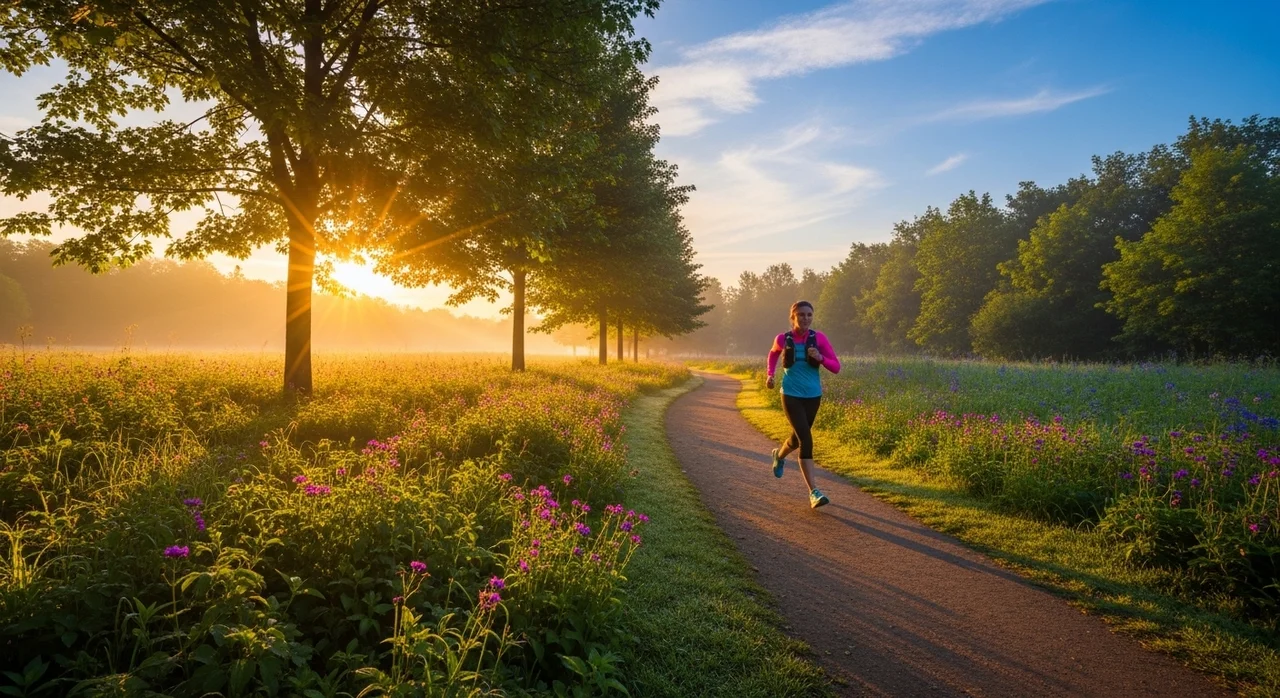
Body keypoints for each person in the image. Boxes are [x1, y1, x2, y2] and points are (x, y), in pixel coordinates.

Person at [765, 300, 841, 508]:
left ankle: (779, 455)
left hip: (813, 396)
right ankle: (813, 492)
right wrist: (770, 374)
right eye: (801, 315)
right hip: (790, 394)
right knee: (806, 439)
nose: (805, 318)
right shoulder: (783, 339)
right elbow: (773, 354)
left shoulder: (819, 338)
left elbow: (836, 367)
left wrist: (820, 357)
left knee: (797, 439)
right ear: (793, 317)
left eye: (809, 315)